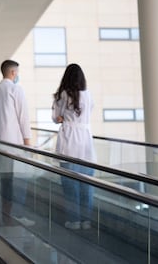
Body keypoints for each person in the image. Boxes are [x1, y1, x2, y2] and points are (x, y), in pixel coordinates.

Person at [0, 59, 33, 227]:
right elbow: (23, 118)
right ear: (13, 73)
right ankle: (9, 217)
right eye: (17, 73)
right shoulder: (15, 90)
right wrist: (28, 144)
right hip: (12, 147)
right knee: (12, 184)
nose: (17, 76)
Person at [52, 63, 96, 230]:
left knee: (70, 187)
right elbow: (88, 113)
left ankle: (74, 220)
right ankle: (87, 221)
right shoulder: (88, 95)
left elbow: (56, 117)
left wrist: (64, 117)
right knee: (87, 187)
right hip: (86, 144)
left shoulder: (63, 95)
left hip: (69, 143)